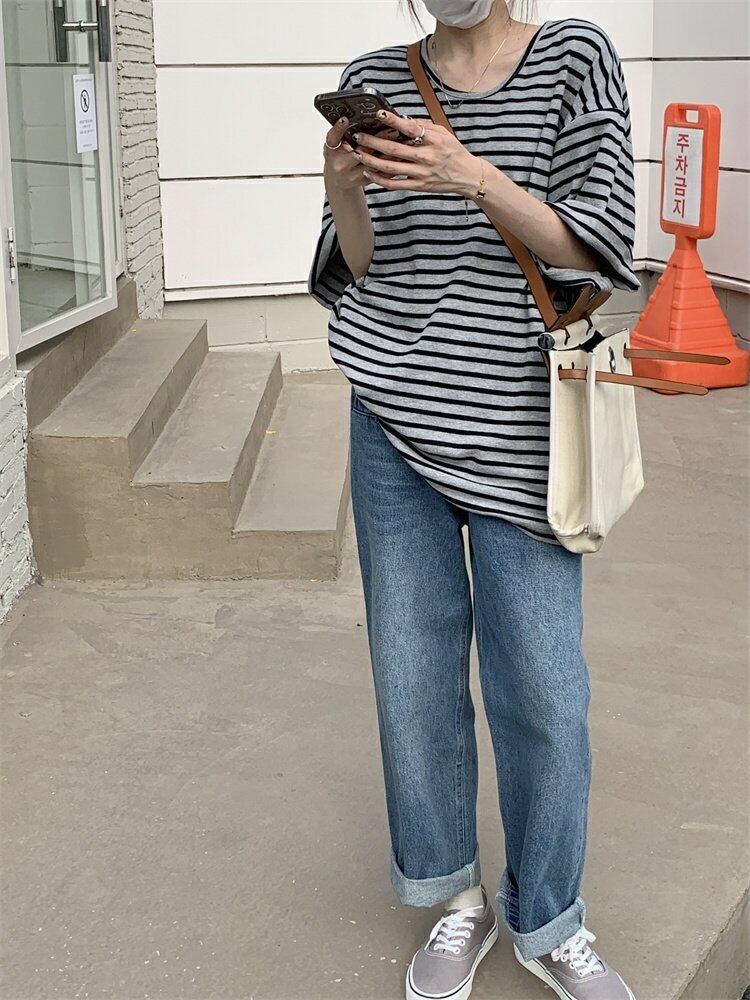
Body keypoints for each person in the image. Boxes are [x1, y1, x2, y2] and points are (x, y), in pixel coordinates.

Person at [309, 1, 639, 998]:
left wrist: (472, 174)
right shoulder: (378, 71)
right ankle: (457, 897)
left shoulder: (574, 57)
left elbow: (596, 249)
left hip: (524, 429)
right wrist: (342, 188)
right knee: (412, 677)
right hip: (393, 420)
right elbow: (358, 266)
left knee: (544, 689)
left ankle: (549, 919)